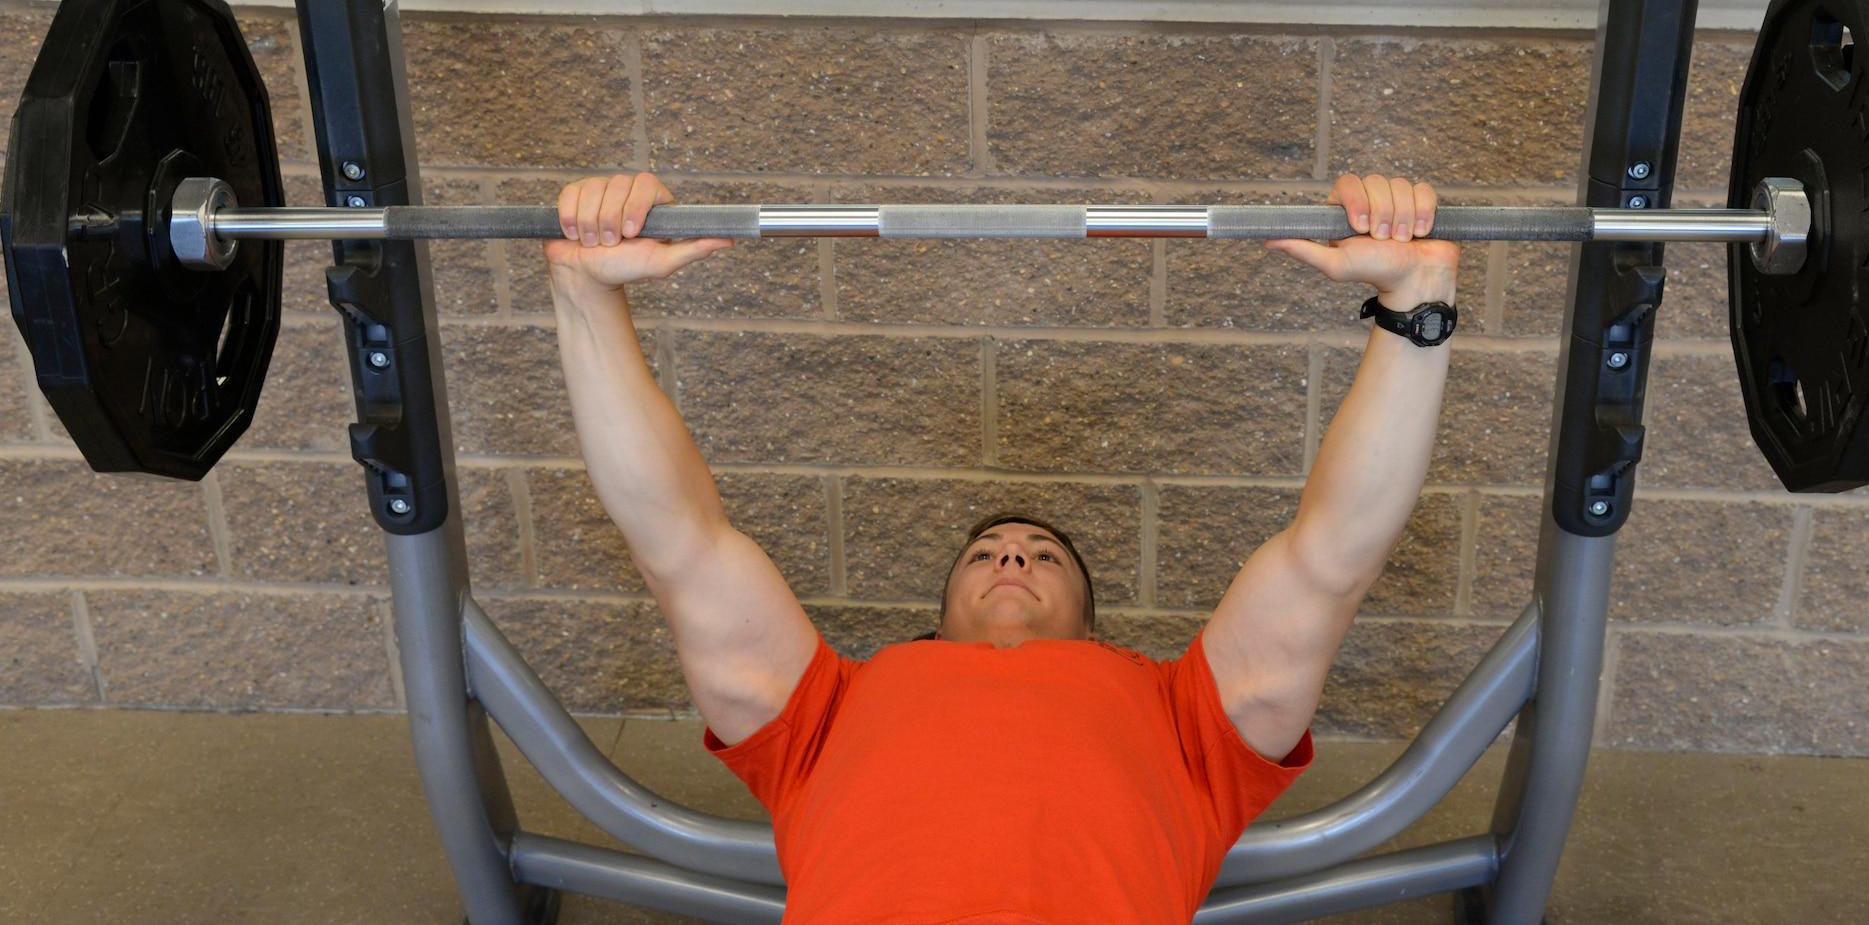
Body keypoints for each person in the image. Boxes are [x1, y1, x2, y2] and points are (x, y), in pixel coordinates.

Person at [547, 170, 1458, 920]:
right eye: (986, 552)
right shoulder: (827, 711)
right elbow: (680, 543)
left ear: (1099, 638)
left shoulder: (1183, 721)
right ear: (932, 623)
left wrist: (1415, 300)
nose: (1013, 557)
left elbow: (1331, 557)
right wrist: (586, 291)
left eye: (1043, 556)